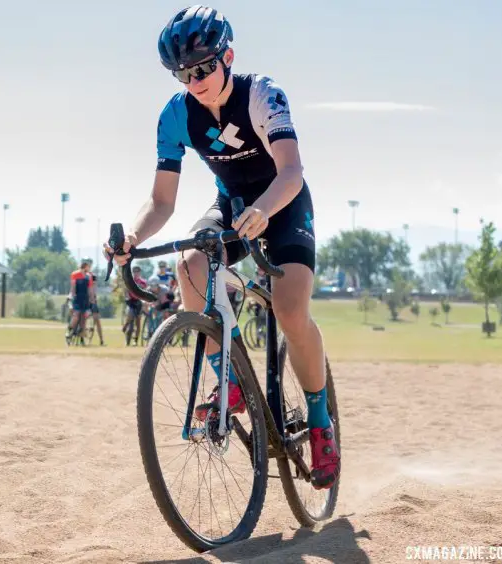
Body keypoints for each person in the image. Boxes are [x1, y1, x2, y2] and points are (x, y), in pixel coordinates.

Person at [104, 5, 338, 490]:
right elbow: (161, 201)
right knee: (189, 267)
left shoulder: (262, 94)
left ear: (227, 56)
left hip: (284, 203)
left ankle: (320, 424)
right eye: (183, 73)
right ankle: (227, 381)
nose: (195, 80)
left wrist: (266, 211)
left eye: (205, 67)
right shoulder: (175, 116)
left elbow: (292, 171)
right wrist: (132, 238)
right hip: (231, 205)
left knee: (291, 309)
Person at [66, 258, 94, 343]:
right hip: (77, 298)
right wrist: (71, 296)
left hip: (85, 299)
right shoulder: (75, 274)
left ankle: (82, 335)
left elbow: (90, 289)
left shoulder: (89, 277)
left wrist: (91, 299)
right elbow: (73, 288)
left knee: (84, 318)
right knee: (76, 315)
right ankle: (70, 329)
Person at [123, 265, 148, 345]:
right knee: (130, 316)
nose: (136, 273)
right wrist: (127, 298)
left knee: (138, 322)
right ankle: (126, 326)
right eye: (134, 272)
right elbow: (126, 291)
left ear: (139, 273)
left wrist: (144, 301)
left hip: (139, 302)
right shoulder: (130, 280)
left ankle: (135, 340)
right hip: (131, 301)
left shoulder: (143, 282)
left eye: (137, 272)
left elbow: (145, 292)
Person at [88, 272, 106, 346]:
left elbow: (94, 289)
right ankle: (101, 340)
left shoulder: (91, 276)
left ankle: (101, 340)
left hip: (92, 301)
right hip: (89, 300)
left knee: (97, 320)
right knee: (97, 320)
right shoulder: (87, 276)